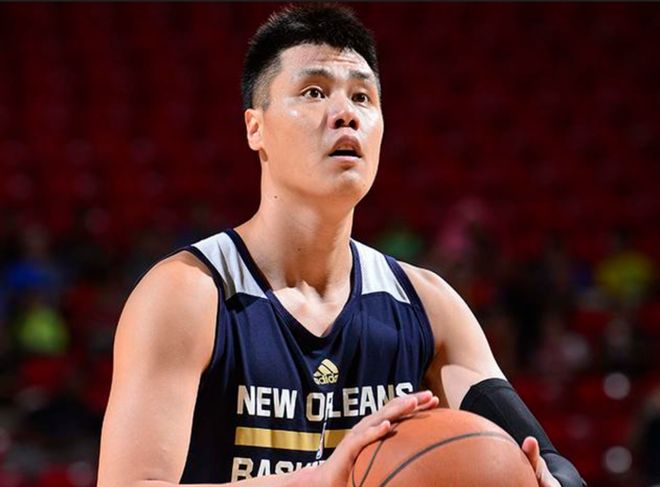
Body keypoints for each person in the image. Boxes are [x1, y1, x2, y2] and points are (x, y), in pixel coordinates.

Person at [97, 5, 585, 487]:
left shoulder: (428, 306)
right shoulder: (186, 294)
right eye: (313, 92)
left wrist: (540, 478)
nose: (346, 113)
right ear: (255, 127)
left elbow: (553, 466)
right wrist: (325, 480)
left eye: (362, 97)